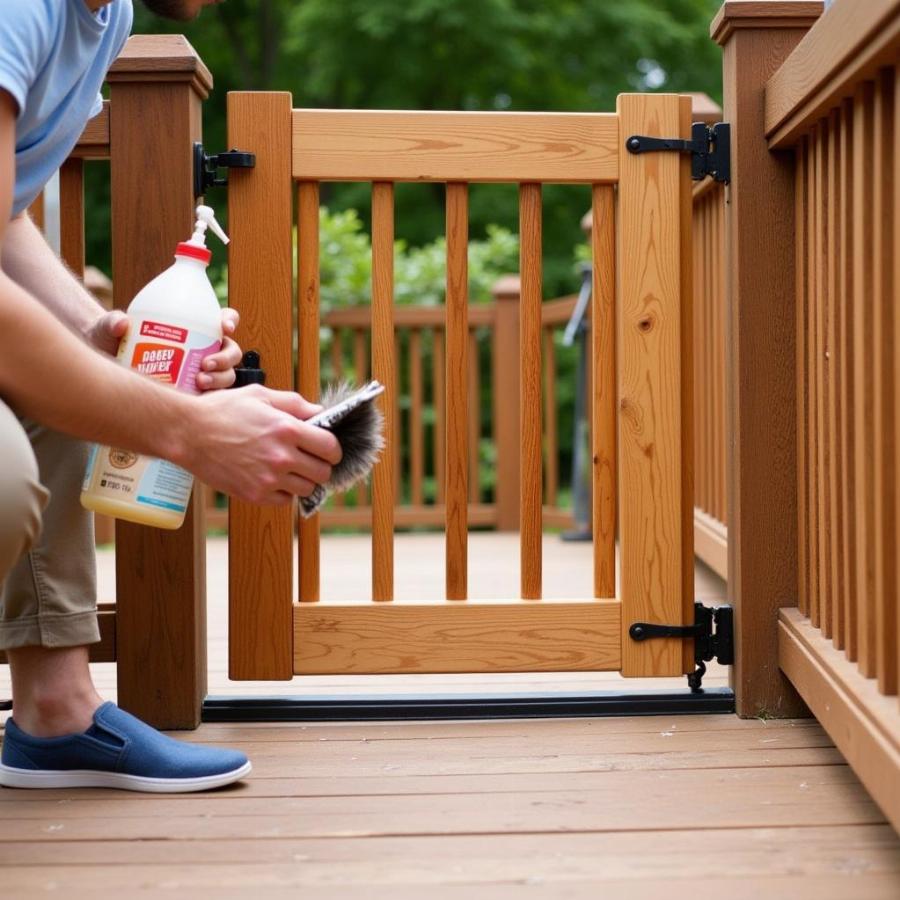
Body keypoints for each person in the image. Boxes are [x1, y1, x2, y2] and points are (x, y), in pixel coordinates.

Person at [0, 0, 341, 792]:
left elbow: (7, 219)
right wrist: (190, 431)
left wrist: (100, 335)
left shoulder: (101, 14)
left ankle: (56, 714)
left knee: (70, 386)